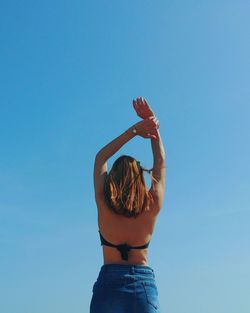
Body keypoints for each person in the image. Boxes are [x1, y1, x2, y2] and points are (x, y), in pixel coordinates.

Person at [90, 97, 166, 313]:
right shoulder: (152, 204)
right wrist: (152, 127)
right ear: (139, 177)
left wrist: (134, 130)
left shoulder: (103, 201)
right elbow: (160, 162)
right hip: (143, 288)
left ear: (112, 178)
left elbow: (100, 158)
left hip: (108, 286)